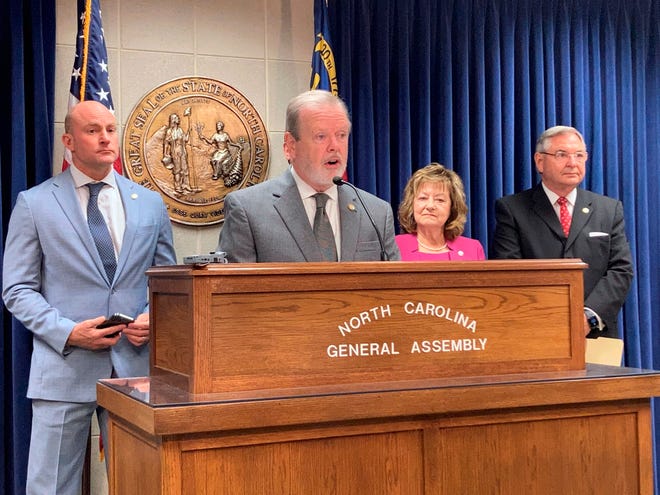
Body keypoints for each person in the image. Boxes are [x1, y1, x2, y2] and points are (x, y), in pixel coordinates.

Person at [2, 100, 177, 495]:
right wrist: (68, 332)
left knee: (143, 483)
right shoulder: (35, 203)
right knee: (51, 487)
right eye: (93, 130)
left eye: (111, 130)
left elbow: (167, 281)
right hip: (65, 367)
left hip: (136, 371)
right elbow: (17, 288)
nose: (104, 138)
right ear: (69, 141)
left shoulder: (149, 203)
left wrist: (155, 316)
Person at [218, 89, 400, 262]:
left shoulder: (376, 213)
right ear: (290, 146)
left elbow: (397, 289)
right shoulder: (248, 210)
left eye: (341, 135)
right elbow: (233, 292)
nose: (334, 146)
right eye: (321, 136)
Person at [492, 125, 633, 338]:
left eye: (579, 155)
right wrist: (552, 318)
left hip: (595, 334)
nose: (572, 163)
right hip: (535, 332)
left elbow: (620, 270)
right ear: (540, 161)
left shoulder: (609, 209)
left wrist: (588, 316)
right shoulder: (512, 209)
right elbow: (509, 272)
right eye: (562, 155)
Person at [396, 163, 485, 260]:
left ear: (452, 207)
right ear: (411, 204)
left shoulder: (473, 249)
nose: (430, 206)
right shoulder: (395, 247)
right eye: (423, 198)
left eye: (440, 200)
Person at [162, 112, 193, 194]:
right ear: (173, 120)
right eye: (177, 118)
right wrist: (165, 153)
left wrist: (189, 132)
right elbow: (166, 143)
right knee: (177, 170)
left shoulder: (180, 130)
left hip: (183, 151)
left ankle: (186, 185)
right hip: (175, 152)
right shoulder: (169, 131)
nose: (179, 119)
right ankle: (178, 186)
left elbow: (185, 139)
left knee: (185, 169)